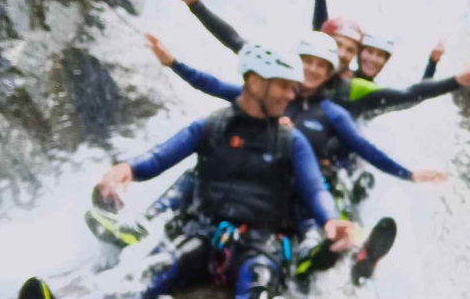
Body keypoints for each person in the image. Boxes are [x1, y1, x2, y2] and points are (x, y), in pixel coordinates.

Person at [21, 39, 355, 299]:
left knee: (257, 280)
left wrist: (330, 220)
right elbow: (160, 156)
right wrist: (124, 170)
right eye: (284, 86)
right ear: (256, 82)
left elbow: (315, 189)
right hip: (203, 233)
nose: (291, 95)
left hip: (261, 241)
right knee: (149, 274)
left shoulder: (292, 140)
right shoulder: (212, 126)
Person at [142, 30, 448, 282]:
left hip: (306, 182)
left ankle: (337, 252)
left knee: (321, 199)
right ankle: (146, 223)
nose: (311, 71)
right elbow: (216, 83)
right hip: (268, 181)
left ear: (329, 73)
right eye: (307, 63)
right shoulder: (268, 94)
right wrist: (173, 63)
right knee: (203, 174)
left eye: (320, 66)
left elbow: (364, 146)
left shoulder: (332, 110)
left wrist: (407, 173)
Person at [160, 0, 470, 117]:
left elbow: (409, 95)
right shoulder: (289, 67)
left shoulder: (353, 89)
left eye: (349, 51)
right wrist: (193, 2)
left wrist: (452, 77)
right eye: (336, 47)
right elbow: (236, 41)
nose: (341, 54)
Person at [307, 0, 444, 80]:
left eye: (349, 50)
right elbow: (321, 33)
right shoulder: (311, 71)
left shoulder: (356, 84)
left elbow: (412, 96)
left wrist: (432, 62)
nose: (342, 54)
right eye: (370, 52)